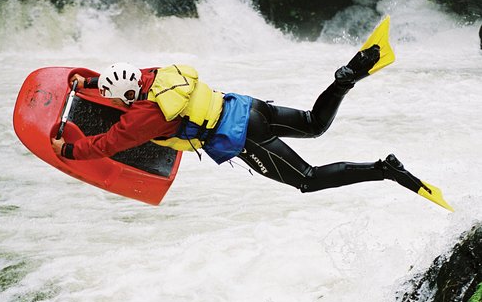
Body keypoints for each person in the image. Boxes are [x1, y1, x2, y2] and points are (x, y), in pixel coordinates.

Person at [50, 48, 432, 200]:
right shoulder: (155, 75)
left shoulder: (146, 116)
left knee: (307, 179)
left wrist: (67, 149)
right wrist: (91, 82)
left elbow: (108, 144)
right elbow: (123, 84)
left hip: (245, 136)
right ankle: (348, 75)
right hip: (249, 107)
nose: (113, 101)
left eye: (113, 96)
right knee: (316, 124)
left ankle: (385, 170)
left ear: (129, 96)